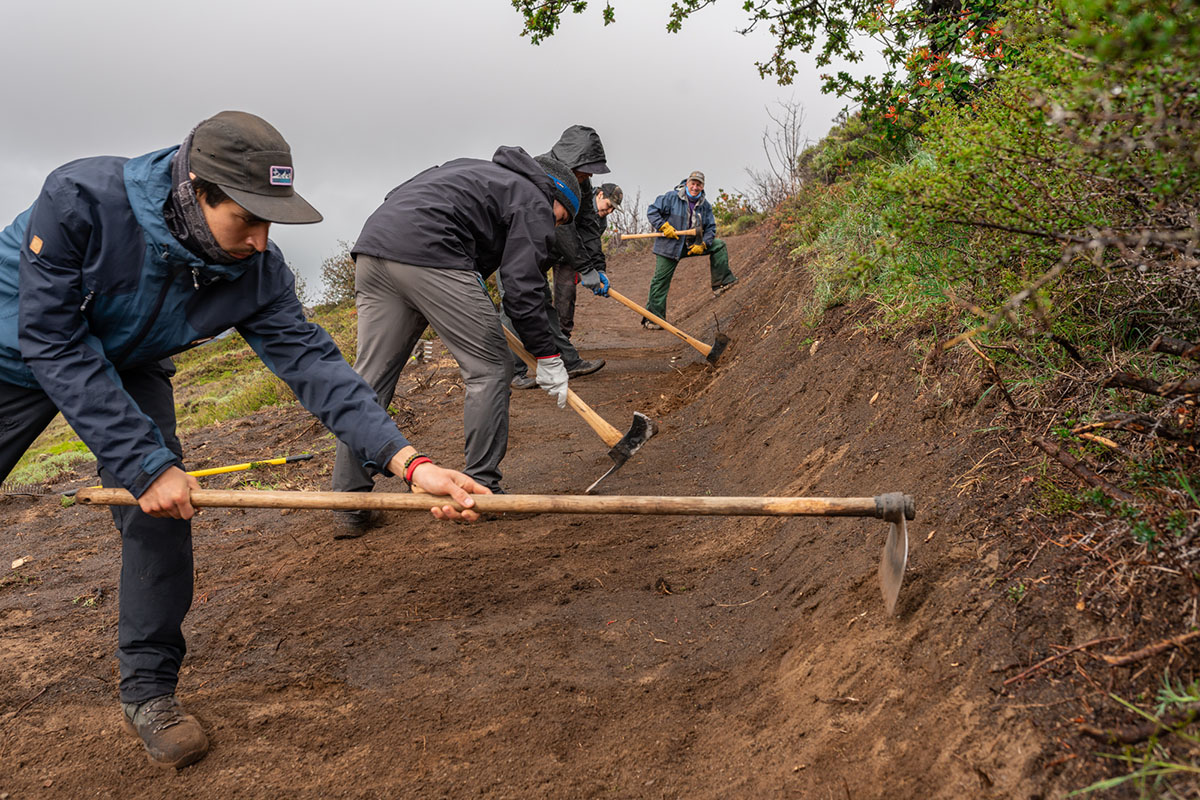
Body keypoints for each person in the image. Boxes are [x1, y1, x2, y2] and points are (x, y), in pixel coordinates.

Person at [0, 111, 488, 770]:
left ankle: (149, 693)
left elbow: (317, 368)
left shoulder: (254, 270)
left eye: (271, 222)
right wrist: (145, 464)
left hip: (132, 360)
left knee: (162, 513)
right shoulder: (80, 200)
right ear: (194, 194)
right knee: (152, 474)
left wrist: (408, 461)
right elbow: (53, 341)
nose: (261, 241)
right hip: (19, 350)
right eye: (247, 219)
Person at [331, 146, 579, 507]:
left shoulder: (472, 170)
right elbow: (523, 289)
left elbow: (399, 197)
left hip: (374, 249)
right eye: (562, 218)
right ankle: (482, 488)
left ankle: (348, 503)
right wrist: (547, 355)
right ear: (557, 198)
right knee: (491, 369)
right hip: (432, 253)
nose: (556, 226)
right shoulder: (534, 200)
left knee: (371, 380)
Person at [508, 125, 614, 389]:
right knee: (514, 306)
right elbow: (563, 228)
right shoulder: (542, 172)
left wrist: (598, 266)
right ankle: (512, 372)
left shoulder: (582, 181)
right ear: (574, 159)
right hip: (513, 248)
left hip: (543, 250)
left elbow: (588, 223)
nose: (590, 173)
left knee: (545, 308)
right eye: (587, 167)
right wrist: (585, 267)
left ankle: (568, 361)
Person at [642, 170, 738, 329]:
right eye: (692, 183)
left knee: (719, 245)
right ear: (687, 184)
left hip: (690, 245)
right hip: (669, 246)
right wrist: (663, 225)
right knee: (660, 281)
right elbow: (652, 211)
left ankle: (722, 283)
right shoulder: (671, 197)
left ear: (702, 186)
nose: (695, 187)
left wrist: (704, 243)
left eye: (698, 184)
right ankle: (653, 319)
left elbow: (711, 228)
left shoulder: (705, 205)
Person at [553, 182, 622, 337]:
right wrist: (585, 267)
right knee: (536, 294)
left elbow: (592, 245)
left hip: (570, 259)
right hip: (548, 247)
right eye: (609, 205)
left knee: (566, 296)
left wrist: (598, 269)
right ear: (599, 194)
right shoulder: (577, 199)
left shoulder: (601, 221)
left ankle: (562, 340)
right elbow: (566, 234)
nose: (609, 211)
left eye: (613, 209)